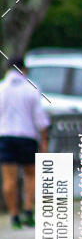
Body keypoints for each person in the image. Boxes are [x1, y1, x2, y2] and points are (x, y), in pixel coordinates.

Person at [0, 57, 50, 229]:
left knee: (9, 179)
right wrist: (44, 139)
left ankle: (14, 216)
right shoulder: (31, 89)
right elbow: (40, 118)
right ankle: (28, 211)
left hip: (5, 136)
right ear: (24, 69)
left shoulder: (1, 88)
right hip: (27, 136)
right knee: (31, 175)